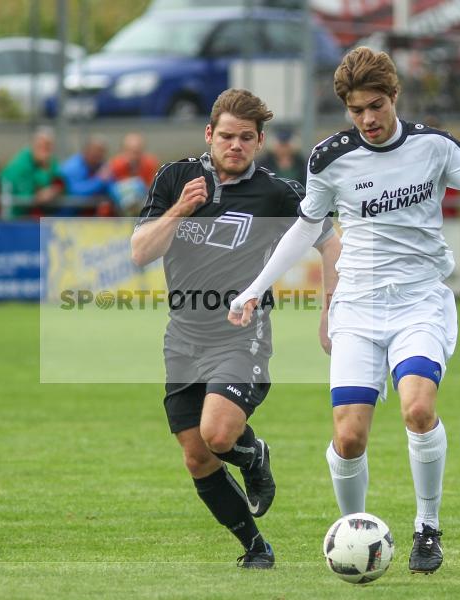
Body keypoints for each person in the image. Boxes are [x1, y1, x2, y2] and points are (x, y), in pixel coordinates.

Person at [227, 47, 460, 574]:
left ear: (394, 96)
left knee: (418, 409)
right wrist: (253, 288)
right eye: (357, 111)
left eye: (376, 106)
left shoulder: (435, 146)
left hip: (420, 299)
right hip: (356, 306)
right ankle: (355, 538)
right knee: (349, 435)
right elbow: (306, 229)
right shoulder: (329, 158)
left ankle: (428, 526)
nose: (368, 120)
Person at [130, 88, 341, 569]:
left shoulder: (276, 193)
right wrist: (179, 209)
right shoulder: (175, 177)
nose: (235, 145)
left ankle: (251, 453)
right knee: (196, 458)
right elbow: (140, 252)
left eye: (247, 137)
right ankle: (255, 546)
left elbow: (331, 245)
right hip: (181, 336)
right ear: (209, 134)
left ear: (260, 140)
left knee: (218, 435)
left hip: (239, 336)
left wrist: (330, 312)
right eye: (226, 136)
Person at [0, 127, 64, 217]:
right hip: (14, 214)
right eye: (41, 146)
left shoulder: (51, 161)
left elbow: (58, 182)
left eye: (48, 146)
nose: (45, 150)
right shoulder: (20, 165)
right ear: (33, 145)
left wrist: (53, 190)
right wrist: (41, 196)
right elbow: (25, 198)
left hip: (36, 214)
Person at [108, 132, 160, 215]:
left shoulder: (150, 163)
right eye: (131, 151)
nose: (134, 155)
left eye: (138, 151)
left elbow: (152, 188)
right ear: (123, 151)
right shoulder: (115, 165)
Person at [61, 135, 115, 216]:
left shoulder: (101, 165)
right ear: (86, 150)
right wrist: (99, 181)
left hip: (92, 220)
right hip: (67, 219)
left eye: (102, 151)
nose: (99, 155)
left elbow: (112, 188)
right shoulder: (72, 166)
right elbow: (75, 192)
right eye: (96, 151)